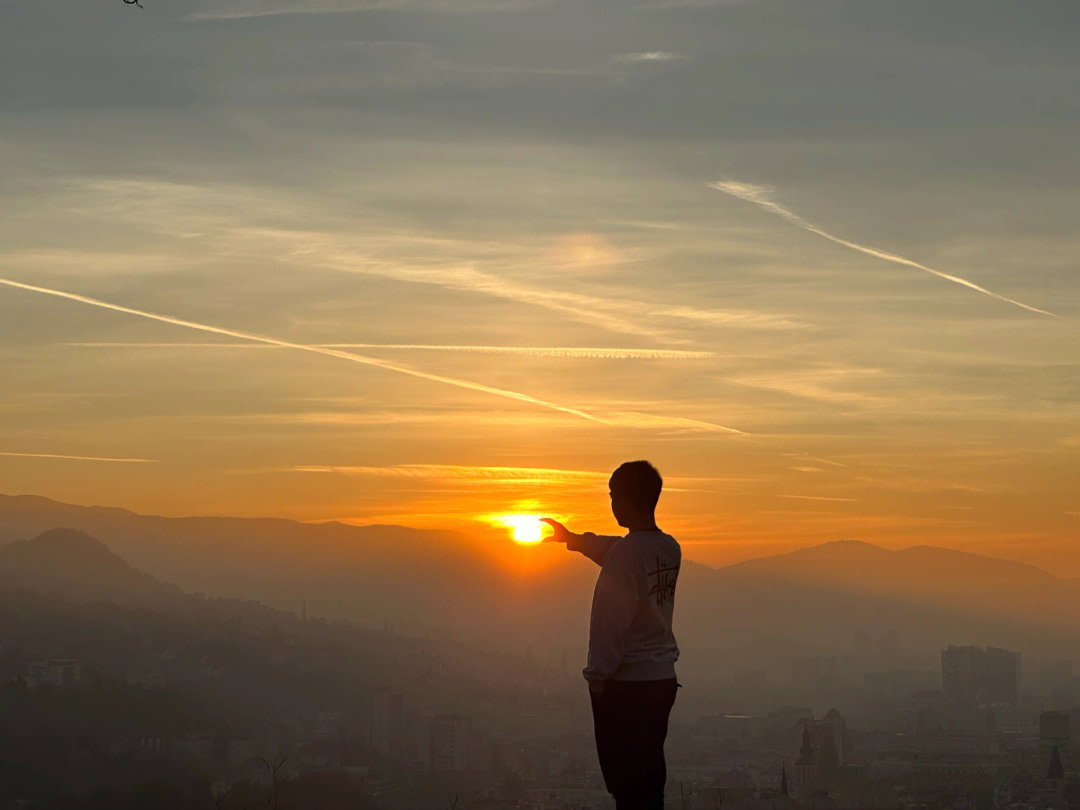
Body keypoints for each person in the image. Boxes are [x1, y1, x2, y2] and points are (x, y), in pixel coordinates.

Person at [541, 460, 681, 810]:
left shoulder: (625, 557)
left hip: (626, 688)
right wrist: (574, 540)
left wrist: (597, 679)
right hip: (661, 680)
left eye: (612, 495)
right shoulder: (668, 548)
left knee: (626, 786)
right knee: (650, 781)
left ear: (626, 498)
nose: (611, 503)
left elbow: (609, 626)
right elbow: (620, 550)